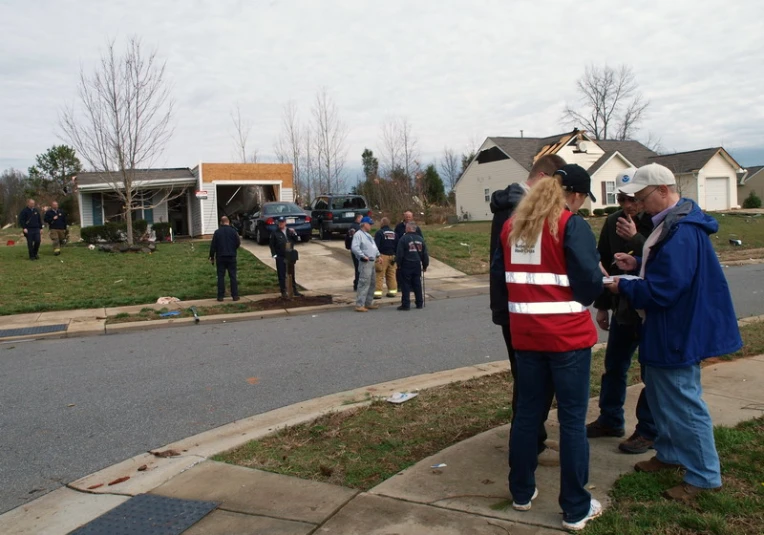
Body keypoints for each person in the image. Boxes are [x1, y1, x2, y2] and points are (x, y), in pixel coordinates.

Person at [606, 163, 742, 502]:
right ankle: (670, 454)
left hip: (677, 330)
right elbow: (668, 272)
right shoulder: (672, 225)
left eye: (642, 196)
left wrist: (624, 286)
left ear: (664, 190)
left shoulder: (681, 231)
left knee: (683, 402)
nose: (637, 203)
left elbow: (666, 289)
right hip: (667, 328)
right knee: (664, 397)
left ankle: (705, 476)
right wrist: (637, 266)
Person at [502, 164, 603, 531]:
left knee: (528, 414)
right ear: (573, 195)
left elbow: (506, 277)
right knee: (572, 421)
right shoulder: (570, 225)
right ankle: (576, 508)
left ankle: (521, 492)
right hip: (567, 338)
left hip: (527, 336)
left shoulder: (512, 227)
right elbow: (590, 282)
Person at [489, 154, 566, 466]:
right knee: (531, 381)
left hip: (519, 307)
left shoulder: (514, 203)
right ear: (547, 177)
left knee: (530, 379)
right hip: (521, 309)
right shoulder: (519, 207)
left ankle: (532, 440)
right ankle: (526, 447)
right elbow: (503, 264)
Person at [587, 169, 657, 454]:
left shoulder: (658, 222)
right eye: (622, 199)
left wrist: (637, 239)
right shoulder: (614, 222)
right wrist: (602, 306)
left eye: (633, 199)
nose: (628, 205)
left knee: (651, 371)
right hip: (624, 308)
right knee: (614, 365)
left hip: (651, 309)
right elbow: (603, 261)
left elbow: (661, 262)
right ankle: (610, 419)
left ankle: (648, 430)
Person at [395, 221, 429, 311]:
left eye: (406, 227)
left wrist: (398, 264)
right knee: (417, 283)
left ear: (409, 228)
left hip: (406, 264)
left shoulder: (403, 239)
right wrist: (425, 265)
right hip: (417, 264)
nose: (405, 229)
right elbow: (425, 254)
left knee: (405, 285)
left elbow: (399, 254)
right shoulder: (420, 239)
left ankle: (406, 304)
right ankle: (419, 303)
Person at [351, 216, 380, 312]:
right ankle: (359, 304)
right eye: (369, 224)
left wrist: (378, 256)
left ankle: (368, 302)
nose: (371, 226)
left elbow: (373, 247)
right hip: (365, 262)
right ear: (364, 224)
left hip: (371, 261)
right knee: (364, 283)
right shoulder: (358, 235)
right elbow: (354, 247)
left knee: (372, 283)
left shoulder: (368, 235)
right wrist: (362, 255)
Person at [209, 216, 241, 302]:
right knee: (233, 276)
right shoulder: (234, 231)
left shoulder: (217, 232)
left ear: (221, 222)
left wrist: (212, 256)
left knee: (220, 277)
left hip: (220, 257)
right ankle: (235, 295)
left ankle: (220, 296)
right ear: (228, 222)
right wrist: (233, 249)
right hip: (231, 256)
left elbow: (213, 246)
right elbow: (238, 243)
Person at [270, 217, 302, 298]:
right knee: (281, 274)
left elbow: (296, 240)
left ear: (285, 223)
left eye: (283, 222)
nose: (281, 223)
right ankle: (283, 291)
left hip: (290, 255)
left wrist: (294, 233)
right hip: (280, 256)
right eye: (280, 222)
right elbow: (272, 245)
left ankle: (294, 290)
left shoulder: (289, 231)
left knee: (291, 273)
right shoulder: (275, 233)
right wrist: (274, 255)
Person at [373, 217, 398, 299]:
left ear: (382, 223)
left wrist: (377, 256)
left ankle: (377, 293)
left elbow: (376, 245)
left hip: (382, 256)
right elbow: (397, 245)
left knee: (379, 275)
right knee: (391, 275)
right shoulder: (394, 233)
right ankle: (392, 292)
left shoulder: (380, 233)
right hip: (393, 256)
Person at [345, 214, 363, 291]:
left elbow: (347, 239)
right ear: (358, 218)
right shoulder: (356, 227)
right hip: (357, 250)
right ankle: (357, 284)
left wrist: (349, 247)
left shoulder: (352, 227)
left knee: (358, 267)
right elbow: (350, 238)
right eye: (361, 218)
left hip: (355, 249)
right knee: (359, 267)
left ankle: (357, 283)